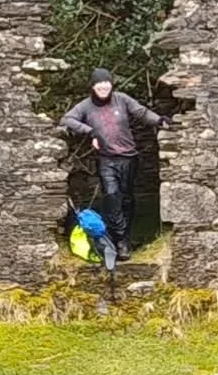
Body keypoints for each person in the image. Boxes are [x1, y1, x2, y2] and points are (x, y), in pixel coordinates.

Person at [59, 69, 166, 261]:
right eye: (99, 84)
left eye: (106, 84)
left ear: (111, 85)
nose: (103, 87)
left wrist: (159, 120)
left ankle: (123, 236)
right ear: (92, 86)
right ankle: (121, 241)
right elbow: (67, 119)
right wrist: (90, 131)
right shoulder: (85, 106)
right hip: (106, 159)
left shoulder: (121, 99)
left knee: (126, 198)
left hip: (129, 157)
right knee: (112, 195)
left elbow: (141, 112)